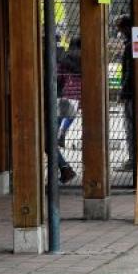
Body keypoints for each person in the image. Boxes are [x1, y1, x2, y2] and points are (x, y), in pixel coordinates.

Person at [56, 36, 82, 184]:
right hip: (79, 95)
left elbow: (58, 78)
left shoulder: (65, 58)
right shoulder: (87, 59)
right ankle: (62, 132)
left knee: (49, 137)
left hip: (65, 95)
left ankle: (60, 133)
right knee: (70, 115)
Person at [114, 15, 135, 172]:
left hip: (130, 94)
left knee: (130, 126)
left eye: (121, 29)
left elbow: (128, 71)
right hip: (132, 92)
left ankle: (133, 159)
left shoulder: (130, 46)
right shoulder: (132, 43)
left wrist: (123, 91)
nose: (120, 33)